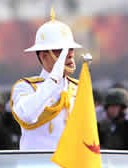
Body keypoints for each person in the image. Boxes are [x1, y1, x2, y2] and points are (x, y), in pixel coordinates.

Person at [10, 8, 82, 150]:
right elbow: (27, 116)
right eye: (61, 50)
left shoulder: (79, 88)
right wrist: (53, 80)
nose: (69, 54)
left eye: (71, 49)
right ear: (44, 56)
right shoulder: (25, 87)